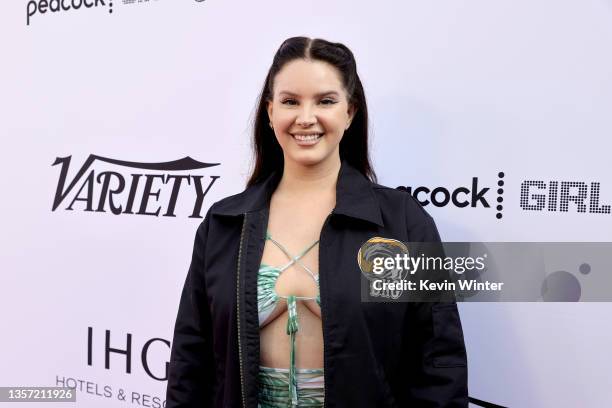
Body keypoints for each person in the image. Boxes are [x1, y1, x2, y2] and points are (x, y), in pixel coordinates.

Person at [166, 36, 468, 408]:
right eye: (290, 101)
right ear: (270, 111)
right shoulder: (225, 222)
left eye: (325, 101)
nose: (305, 118)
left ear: (350, 112)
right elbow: (190, 359)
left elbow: (439, 362)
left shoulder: (403, 221)